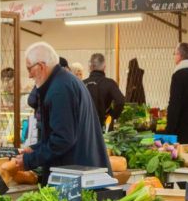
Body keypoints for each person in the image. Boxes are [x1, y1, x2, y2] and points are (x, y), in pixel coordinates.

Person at [10, 42, 109, 180]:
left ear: (41, 66)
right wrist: (36, 148)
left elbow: (63, 139)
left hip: (75, 176)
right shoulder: (65, 81)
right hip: (83, 169)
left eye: (29, 69)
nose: (29, 76)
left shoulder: (59, 90)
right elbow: (65, 132)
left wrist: (28, 161)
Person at [84, 52, 125, 125]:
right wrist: (112, 116)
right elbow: (120, 101)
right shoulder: (110, 83)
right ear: (104, 67)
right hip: (105, 125)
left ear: (90, 67)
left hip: (86, 126)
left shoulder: (82, 84)